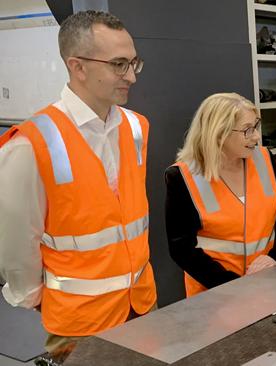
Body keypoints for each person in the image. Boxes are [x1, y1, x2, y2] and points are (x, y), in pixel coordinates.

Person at [0, 10, 157, 361]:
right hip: (79, 319)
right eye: (119, 64)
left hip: (142, 303)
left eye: (134, 63)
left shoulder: (136, 128)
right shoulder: (30, 142)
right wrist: (32, 297)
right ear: (78, 66)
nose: (131, 76)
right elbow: (16, 240)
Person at [165, 93, 276, 297]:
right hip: (214, 294)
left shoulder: (264, 159)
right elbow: (182, 249)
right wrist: (232, 286)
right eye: (247, 130)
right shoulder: (182, 177)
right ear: (219, 133)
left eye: (256, 126)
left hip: (268, 283)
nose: (256, 136)